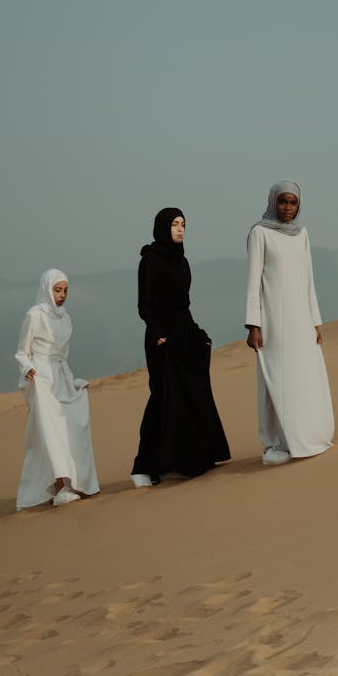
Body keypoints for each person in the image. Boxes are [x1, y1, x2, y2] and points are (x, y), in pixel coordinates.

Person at [131, 208, 230, 486]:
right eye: (174, 224)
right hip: (162, 339)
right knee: (163, 397)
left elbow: (184, 305)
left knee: (192, 395)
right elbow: (144, 305)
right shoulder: (149, 261)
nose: (180, 229)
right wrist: (158, 332)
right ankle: (143, 467)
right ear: (162, 227)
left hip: (185, 333)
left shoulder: (182, 261)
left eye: (183, 224)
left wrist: (199, 333)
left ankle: (192, 459)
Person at [245, 181, 334, 464]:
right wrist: (253, 325)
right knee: (276, 378)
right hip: (273, 319)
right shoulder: (260, 233)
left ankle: (311, 434)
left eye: (293, 203)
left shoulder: (302, 234)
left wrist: (315, 321)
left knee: (305, 377)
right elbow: (253, 283)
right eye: (283, 202)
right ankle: (275, 444)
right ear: (273, 202)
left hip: (302, 319)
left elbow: (309, 281)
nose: (287, 208)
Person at [15, 269, 100, 509]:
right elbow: (22, 351)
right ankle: (60, 488)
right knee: (50, 433)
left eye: (65, 290)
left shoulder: (65, 318)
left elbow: (62, 357)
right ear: (47, 289)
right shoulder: (34, 315)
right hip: (40, 380)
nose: (62, 295)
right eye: (57, 289)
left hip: (60, 377)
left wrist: (72, 381)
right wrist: (26, 368)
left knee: (70, 428)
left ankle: (73, 483)